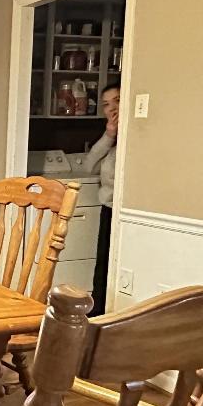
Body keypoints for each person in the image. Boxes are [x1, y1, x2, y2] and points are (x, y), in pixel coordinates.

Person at [83, 83, 120, 316]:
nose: (112, 108)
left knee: (114, 266)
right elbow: (89, 166)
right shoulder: (111, 141)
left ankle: (108, 315)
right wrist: (109, 134)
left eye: (117, 101)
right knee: (102, 265)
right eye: (106, 104)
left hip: (122, 211)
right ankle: (97, 313)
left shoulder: (134, 140)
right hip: (108, 207)